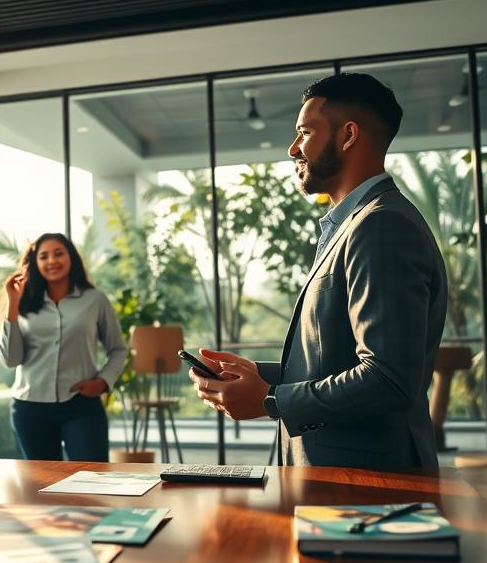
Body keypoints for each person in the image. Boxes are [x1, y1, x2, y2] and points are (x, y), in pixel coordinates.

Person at [189, 73, 448, 471]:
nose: (293, 148)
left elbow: (389, 378)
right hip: (339, 477)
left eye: (305, 132)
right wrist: (256, 376)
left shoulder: (381, 226)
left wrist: (269, 399)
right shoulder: (354, 225)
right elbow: (339, 362)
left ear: (347, 135)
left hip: (367, 487)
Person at [0, 232, 128, 462]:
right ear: (35, 263)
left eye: (59, 253)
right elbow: (10, 359)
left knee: (93, 481)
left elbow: (118, 349)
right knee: (41, 489)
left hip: (81, 405)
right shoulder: (24, 302)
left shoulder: (95, 300)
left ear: (71, 257)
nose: (51, 261)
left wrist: (103, 381)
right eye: (44, 256)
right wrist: (12, 305)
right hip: (29, 408)